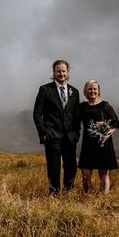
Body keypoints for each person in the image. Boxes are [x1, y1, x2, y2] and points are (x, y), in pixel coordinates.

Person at [33, 59, 81, 195]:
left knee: (71, 167)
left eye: (63, 71)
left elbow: (76, 116)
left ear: (67, 72)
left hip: (70, 137)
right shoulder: (45, 90)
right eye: (58, 71)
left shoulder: (75, 91)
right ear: (53, 73)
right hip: (52, 136)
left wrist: (76, 134)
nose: (61, 73)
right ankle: (54, 195)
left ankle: (68, 193)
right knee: (53, 168)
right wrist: (44, 133)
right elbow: (37, 113)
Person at [78, 79, 119, 194]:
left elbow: (116, 123)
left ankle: (103, 200)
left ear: (98, 91)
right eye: (90, 89)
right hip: (87, 144)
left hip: (103, 144)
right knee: (85, 176)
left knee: (104, 176)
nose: (92, 91)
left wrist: (106, 134)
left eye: (95, 89)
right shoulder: (82, 106)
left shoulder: (105, 105)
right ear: (86, 91)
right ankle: (87, 199)